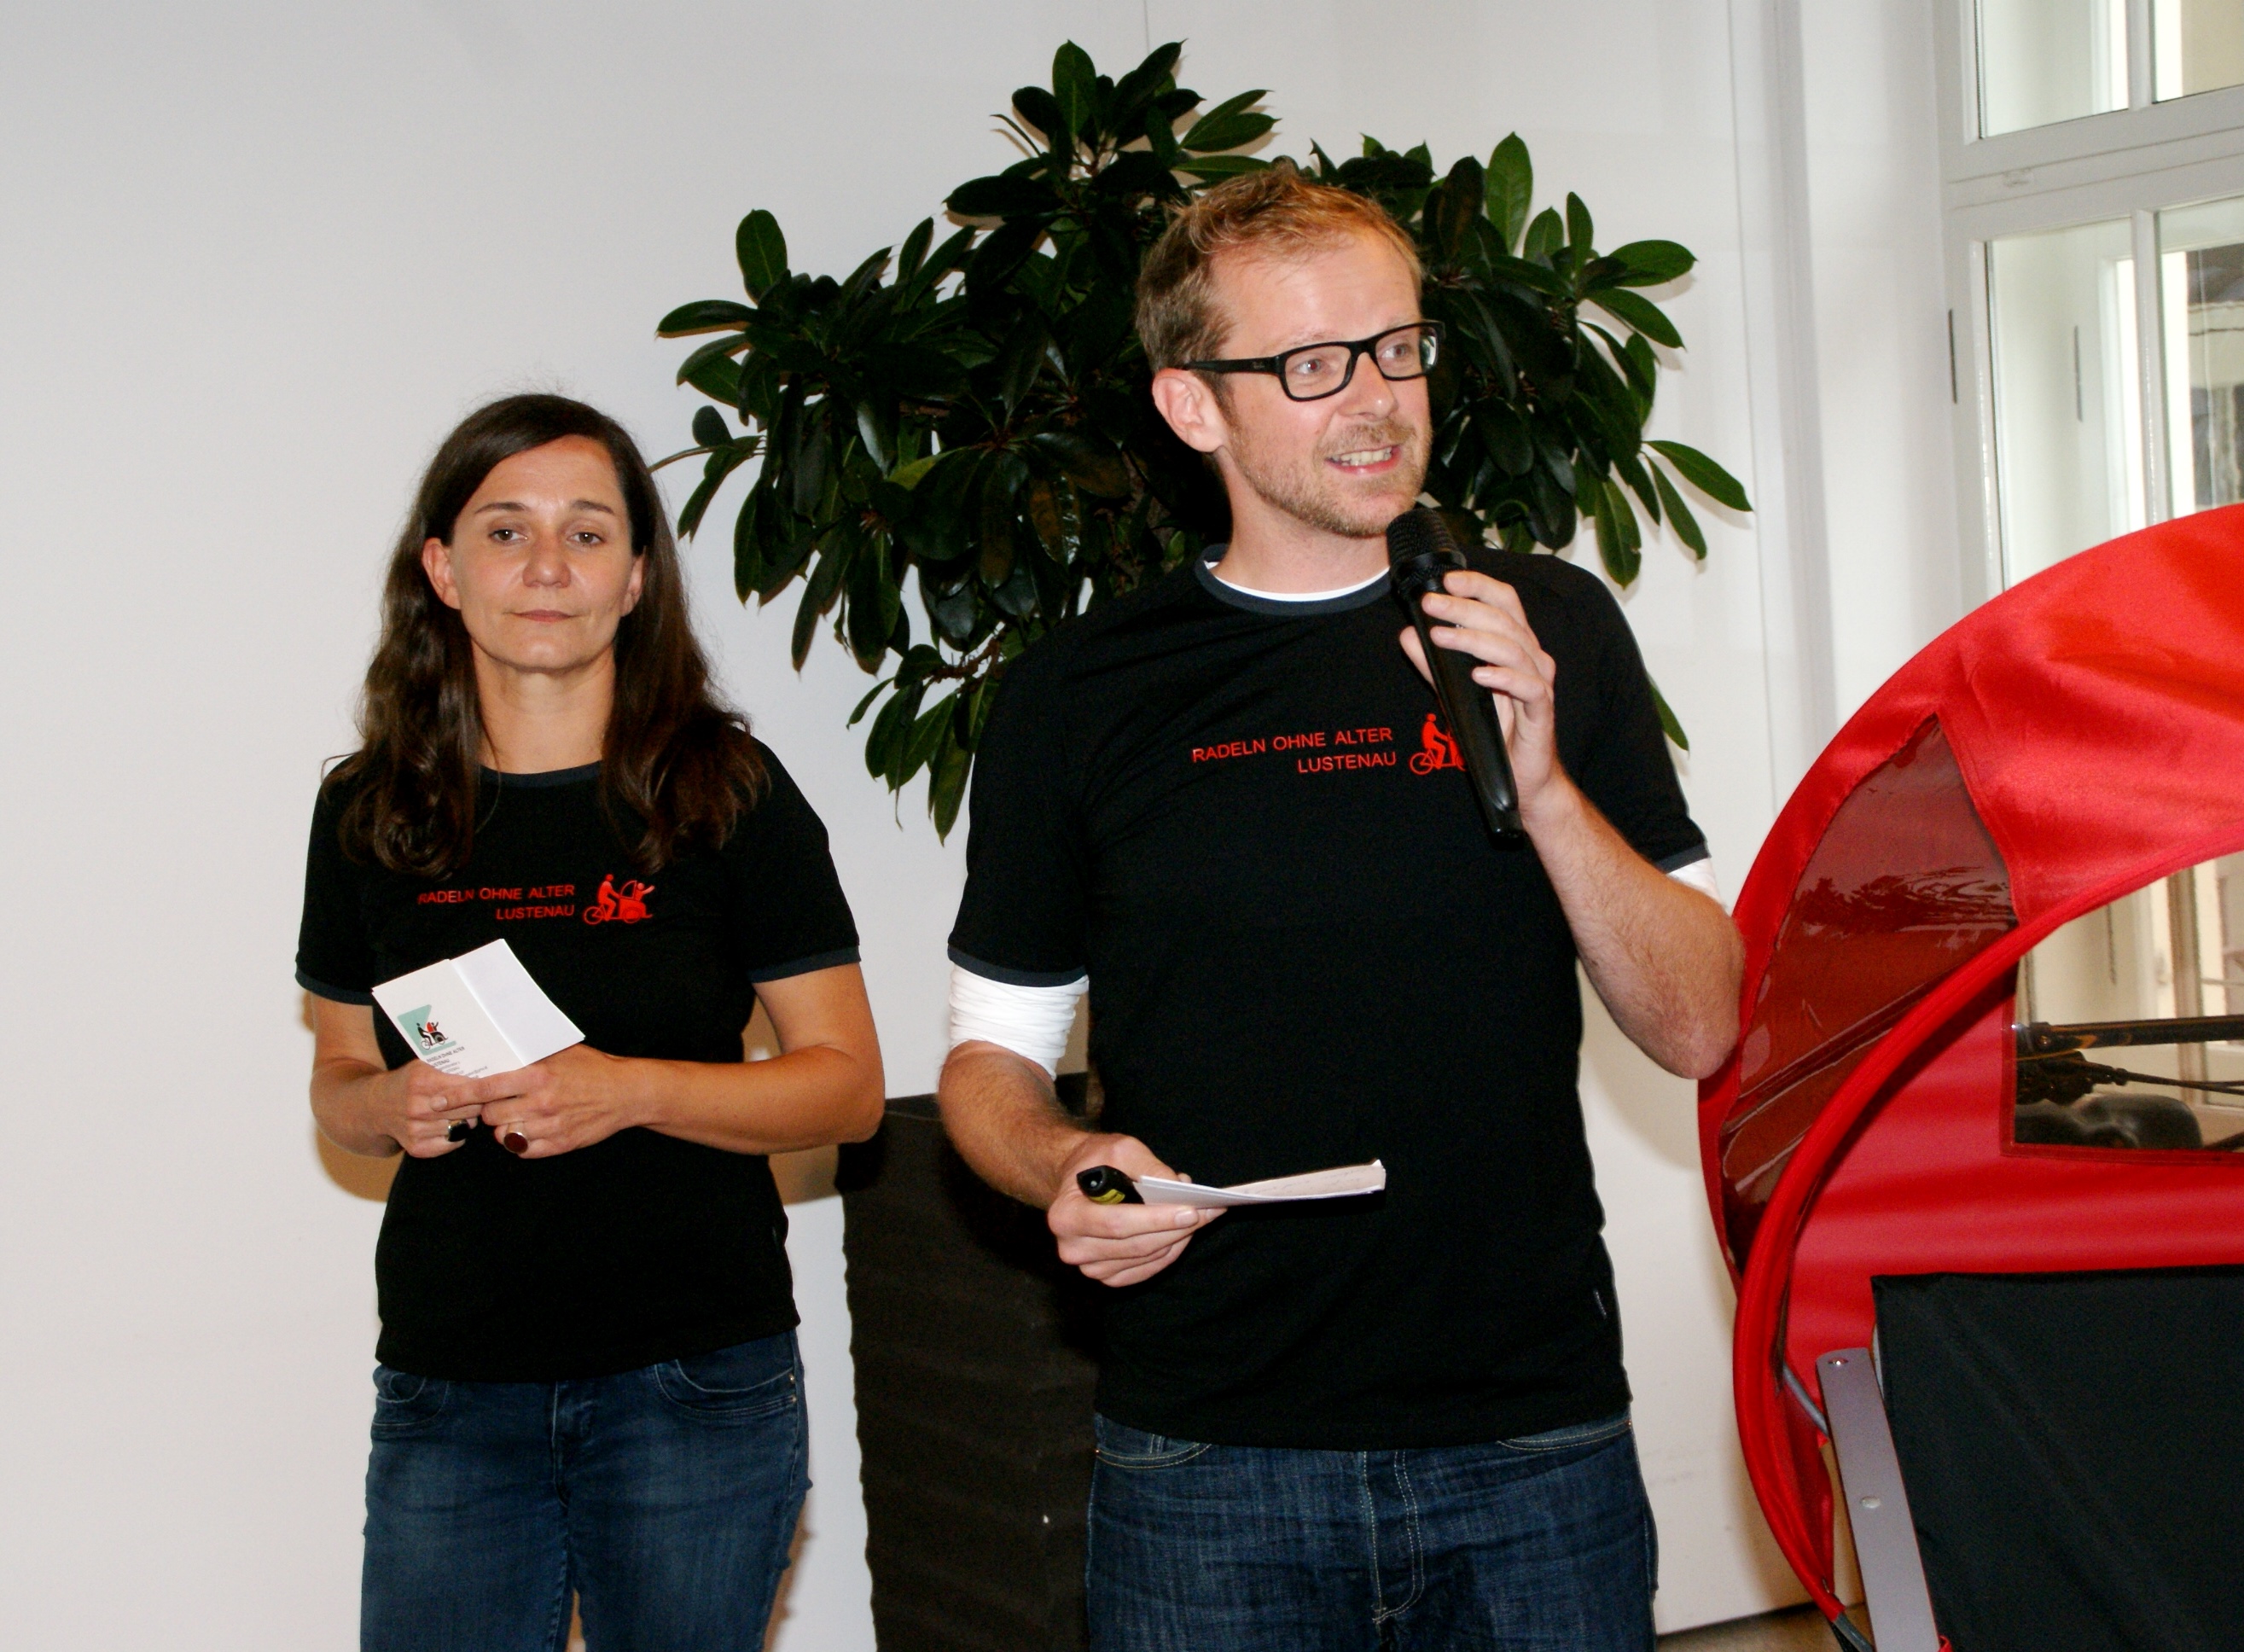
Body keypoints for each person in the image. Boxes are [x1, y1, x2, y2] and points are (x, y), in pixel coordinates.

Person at [937, 167, 1744, 1650]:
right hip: (1207, 1456)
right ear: (1192, 407)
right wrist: (1068, 1164)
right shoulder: (1075, 696)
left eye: (1397, 347)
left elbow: (1699, 1022)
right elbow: (989, 1064)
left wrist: (1543, 782)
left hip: (1528, 1437)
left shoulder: (1545, 625)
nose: (1376, 401)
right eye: (1311, 365)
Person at [296, 394, 883, 1651]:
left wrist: (628, 1089)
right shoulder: (368, 810)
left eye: (587, 532)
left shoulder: (727, 791)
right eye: (505, 531)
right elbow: (338, 1080)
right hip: (450, 1382)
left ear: (635, 578)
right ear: (443, 571)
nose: (548, 567)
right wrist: (386, 1104)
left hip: (695, 1380)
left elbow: (844, 1088)